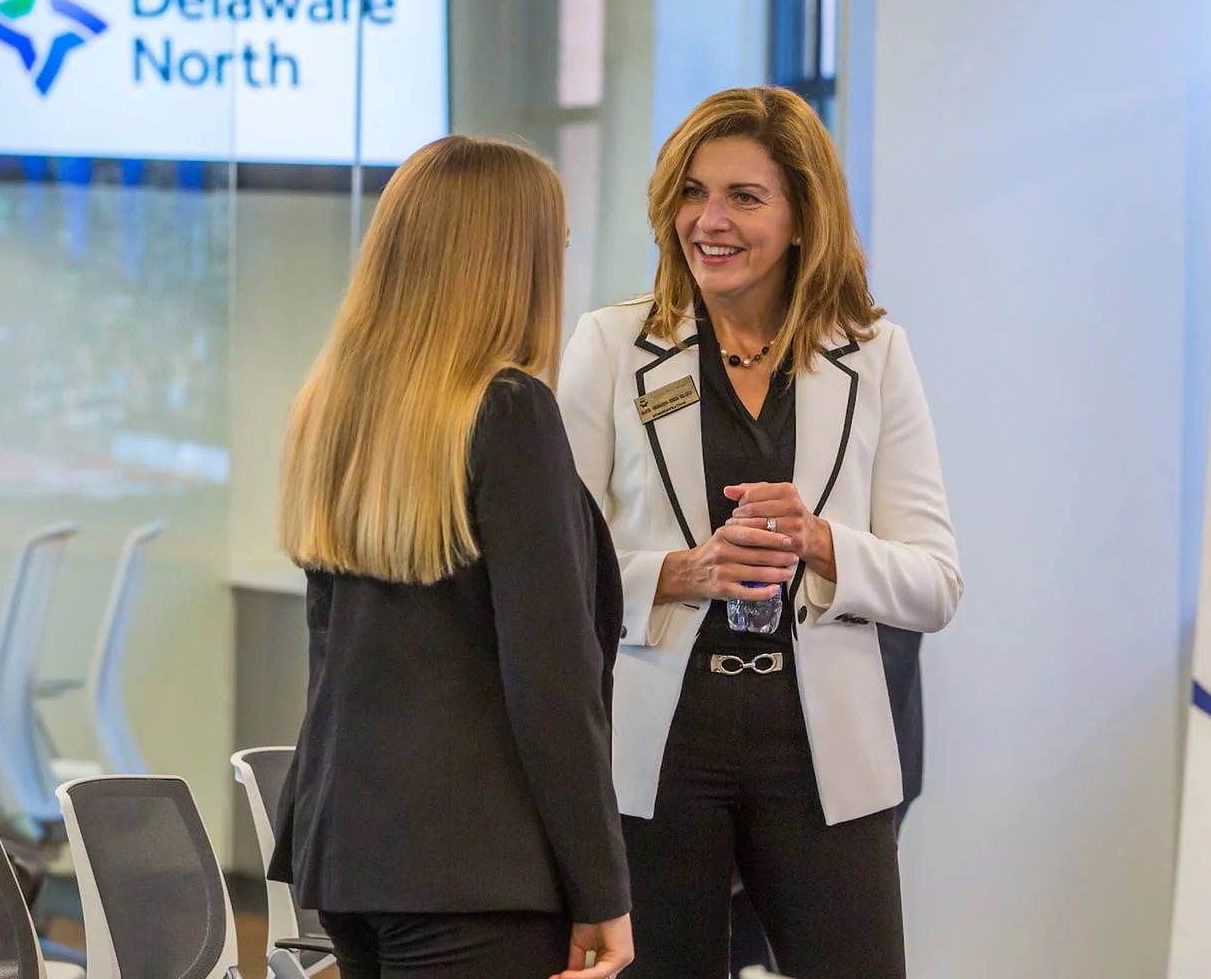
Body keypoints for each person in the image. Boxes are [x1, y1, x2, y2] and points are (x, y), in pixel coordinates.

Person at [558, 86, 963, 979]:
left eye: (744, 196)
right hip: (659, 741)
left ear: (803, 218)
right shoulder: (612, 346)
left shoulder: (874, 353)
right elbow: (554, 571)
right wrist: (678, 572)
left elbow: (936, 583)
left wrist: (822, 545)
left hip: (821, 746)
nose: (710, 220)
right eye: (693, 193)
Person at [267, 136, 634, 979]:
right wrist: (602, 887)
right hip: (477, 869)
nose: (561, 268)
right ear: (509, 262)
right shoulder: (509, 412)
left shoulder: (334, 410)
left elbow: (336, 657)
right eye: (557, 246)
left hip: (351, 856)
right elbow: (550, 679)